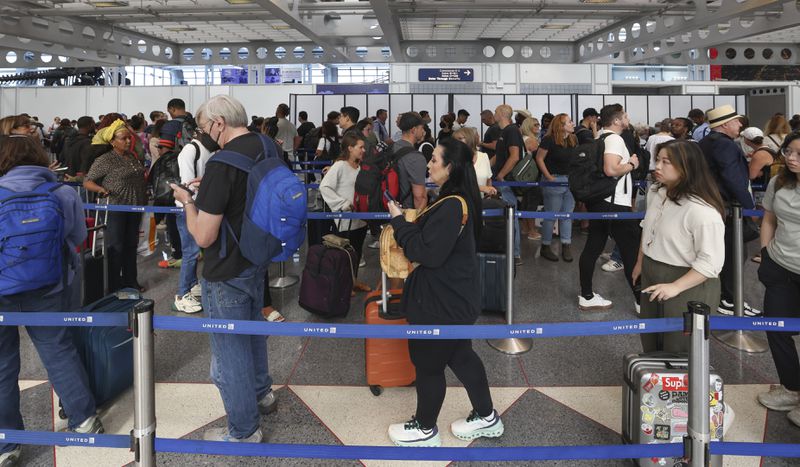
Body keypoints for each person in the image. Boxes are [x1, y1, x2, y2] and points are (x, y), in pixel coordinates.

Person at [170, 95, 277, 443]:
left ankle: (244, 431)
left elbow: (203, 235)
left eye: (203, 128)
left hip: (226, 268)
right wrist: (213, 191)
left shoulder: (221, 163)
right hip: (257, 257)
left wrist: (187, 201)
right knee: (253, 331)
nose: (203, 135)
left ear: (218, 123)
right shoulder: (266, 145)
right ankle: (263, 393)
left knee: (229, 355)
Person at [386, 138, 503, 447]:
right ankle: (487, 416)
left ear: (451, 167)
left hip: (441, 301)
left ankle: (425, 428)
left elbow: (428, 253)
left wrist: (399, 221)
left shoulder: (452, 204)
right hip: (455, 296)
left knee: (428, 363)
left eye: (435, 160)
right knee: (461, 355)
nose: (429, 164)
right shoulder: (457, 198)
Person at [0, 135, 105, 467]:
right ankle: (85, 419)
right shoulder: (61, 192)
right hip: (49, 287)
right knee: (59, 352)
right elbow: (77, 238)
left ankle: (7, 442)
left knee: (2, 365)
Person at [633, 140, 726, 352]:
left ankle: (680, 385)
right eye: (658, 160)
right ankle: (655, 381)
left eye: (666, 162)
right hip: (652, 270)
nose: (657, 166)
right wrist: (640, 262)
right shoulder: (658, 192)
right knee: (651, 337)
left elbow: (710, 263)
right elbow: (647, 228)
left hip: (686, 281)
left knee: (679, 345)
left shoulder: (701, 210)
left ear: (687, 167)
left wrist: (675, 287)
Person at [698, 105, 761, 317]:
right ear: (725, 124)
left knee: (725, 253)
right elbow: (732, 177)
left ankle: (726, 297)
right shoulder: (724, 145)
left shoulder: (707, 141)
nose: (740, 125)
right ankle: (730, 300)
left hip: (716, 204)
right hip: (728, 208)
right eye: (736, 121)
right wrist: (749, 205)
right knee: (734, 255)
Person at [578, 103, 642, 312]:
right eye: (625, 115)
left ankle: (587, 295)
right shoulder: (614, 139)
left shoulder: (600, 138)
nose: (628, 118)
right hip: (614, 203)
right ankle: (642, 301)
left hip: (600, 201)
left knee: (593, 246)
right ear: (616, 120)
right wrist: (632, 163)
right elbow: (611, 169)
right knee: (631, 250)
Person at [756, 131, 800, 428]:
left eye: (799, 154)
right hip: (781, 265)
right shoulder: (779, 181)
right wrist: (765, 253)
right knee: (777, 327)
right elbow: (769, 218)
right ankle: (792, 387)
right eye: (789, 151)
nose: (791, 158)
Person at [83, 120, 147, 293]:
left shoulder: (132, 156)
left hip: (134, 207)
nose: (128, 141)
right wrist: (101, 189)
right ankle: (113, 283)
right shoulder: (105, 159)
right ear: (112, 141)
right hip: (115, 208)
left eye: (129, 138)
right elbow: (87, 181)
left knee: (131, 245)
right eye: (123, 138)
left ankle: (130, 281)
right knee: (116, 246)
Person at [170, 129, 216, 314]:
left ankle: (191, 283)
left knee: (196, 250)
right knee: (191, 251)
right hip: (188, 207)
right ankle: (181, 295)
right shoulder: (190, 150)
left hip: (202, 205)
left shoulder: (211, 150)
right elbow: (188, 183)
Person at [319, 132, 372, 293]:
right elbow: (324, 187)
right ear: (350, 148)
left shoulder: (361, 166)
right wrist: (342, 204)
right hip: (345, 221)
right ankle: (343, 286)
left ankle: (353, 281)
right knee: (344, 255)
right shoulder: (340, 166)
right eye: (360, 147)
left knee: (356, 252)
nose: (363, 150)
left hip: (360, 219)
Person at [536, 113, 577, 262]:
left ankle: (566, 244)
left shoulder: (573, 139)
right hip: (554, 180)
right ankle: (545, 246)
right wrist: (549, 177)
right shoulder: (549, 140)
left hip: (569, 181)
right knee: (551, 215)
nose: (573, 124)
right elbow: (539, 158)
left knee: (567, 215)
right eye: (569, 122)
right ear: (561, 125)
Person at [493, 104, 523, 265]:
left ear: (502, 114)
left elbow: (515, 156)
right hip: (501, 180)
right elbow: (499, 156)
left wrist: (501, 174)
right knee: (507, 217)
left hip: (506, 181)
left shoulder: (511, 131)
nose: (494, 114)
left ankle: (515, 253)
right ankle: (510, 250)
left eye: (496, 112)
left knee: (511, 217)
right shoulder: (504, 132)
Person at [395, 112, 428, 210]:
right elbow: (419, 197)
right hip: (407, 212)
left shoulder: (391, 148)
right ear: (414, 130)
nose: (423, 132)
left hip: (390, 207)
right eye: (422, 128)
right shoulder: (416, 157)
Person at [453, 127, 495, 197]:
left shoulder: (484, 157)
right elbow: (457, 184)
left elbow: (488, 180)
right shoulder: (453, 159)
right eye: (454, 140)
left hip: (480, 203)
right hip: (459, 203)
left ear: (470, 139)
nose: (456, 142)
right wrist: (482, 188)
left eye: (460, 138)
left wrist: (489, 195)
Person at [518, 117, 542, 240]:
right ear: (528, 126)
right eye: (535, 125)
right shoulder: (531, 141)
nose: (538, 127)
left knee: (526, 201)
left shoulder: (523, 139)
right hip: (532, 176)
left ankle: (525, 227)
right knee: (531, 202)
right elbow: (539, 158)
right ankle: (532, 231)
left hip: (525, 177)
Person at [62, 116, 95, 180]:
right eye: (93, 124)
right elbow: (86, 161)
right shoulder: (87, 142)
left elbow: (62, 157)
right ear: (89, 125)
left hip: (68, 175)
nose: (94, 126)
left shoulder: (68, 140)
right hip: (79, 179)